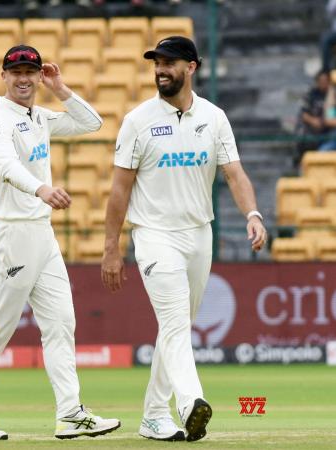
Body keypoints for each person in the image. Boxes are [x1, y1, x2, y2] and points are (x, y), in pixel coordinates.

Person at [0, 45, 121, 441]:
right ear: (4, 76)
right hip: (14, 233)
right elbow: (7, 168)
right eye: (17, 72)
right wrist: (42, 188)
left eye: (31, 71)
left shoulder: (37, 116)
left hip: (42, 234)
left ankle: (70, 413)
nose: (24, 78)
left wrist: (60, 88)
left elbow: (91, 123)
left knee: (61, 322)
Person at [101, 36, 267, 442]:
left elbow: (234, 173)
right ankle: (191, 402)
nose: (161, 69)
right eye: (157, 62)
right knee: (174, 322)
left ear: (191, 67)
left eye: (170, 62)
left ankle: (154, 416)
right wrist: (112, 249)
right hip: (155, 236)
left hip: (199, 235)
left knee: (176, 329)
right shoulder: (138, 121)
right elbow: (119, 191)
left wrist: (253, 214)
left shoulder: (214, 117)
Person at [295, 71, 330, 159]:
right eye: (321, 81)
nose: (323, 83)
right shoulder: (311, 94)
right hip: (311, 128)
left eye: (325, 81)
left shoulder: (332, 95)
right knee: (303, 134)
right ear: (317, 82)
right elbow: (303, 113)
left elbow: (331, 115)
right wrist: (313, 121)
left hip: (327, 129)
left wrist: (325, 122)